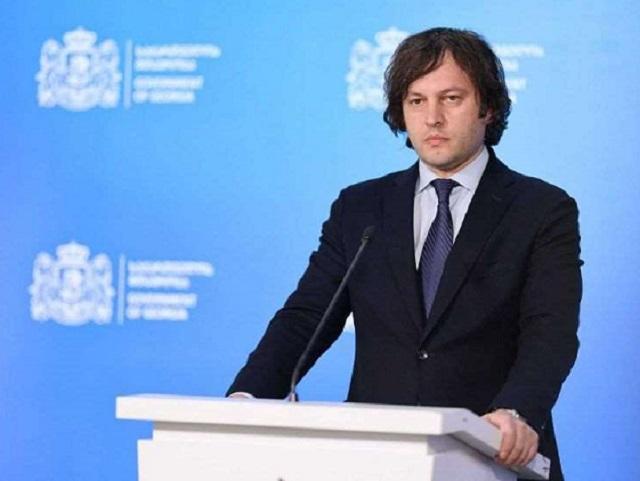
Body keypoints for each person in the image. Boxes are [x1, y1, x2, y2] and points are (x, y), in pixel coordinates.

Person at [227, 27, 581, 481]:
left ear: (488, 107)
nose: (432, 118)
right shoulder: (361, 208)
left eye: (451, 99)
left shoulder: (540, 209)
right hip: (375, 459)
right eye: (416, 101)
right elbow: (307, 316)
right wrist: (247, 398)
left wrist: (518, 411)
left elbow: (550, 331)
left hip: (493, 458)